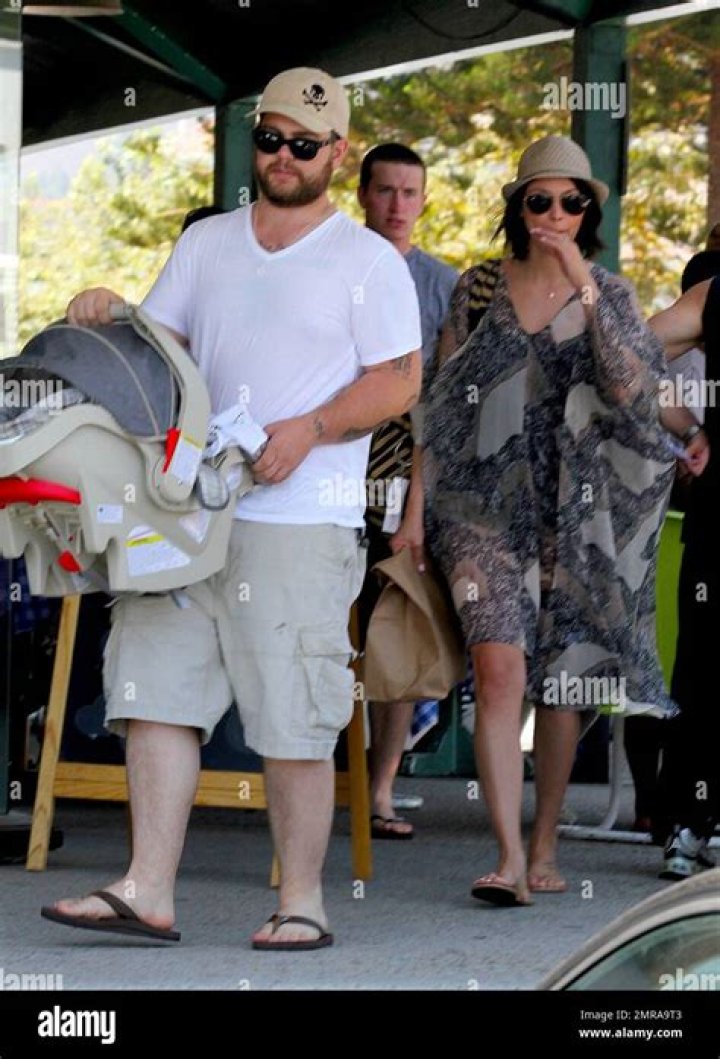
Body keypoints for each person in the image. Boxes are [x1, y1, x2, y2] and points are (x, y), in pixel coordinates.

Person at [40, 67, 422, 950]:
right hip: (190, 509)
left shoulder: (366, 259)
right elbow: (156, 351)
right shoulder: (207, 243)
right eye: (270, 138)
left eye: (303, 144)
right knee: (154, 690)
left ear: (337, 153)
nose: (282, 156)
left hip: (302, 517)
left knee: (294, 711)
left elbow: (400, 380)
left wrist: (314, 426)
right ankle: (148, 887)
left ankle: (301, 902)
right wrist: (105, 312)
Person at [409, 135, 679, 905]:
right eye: (539, 200)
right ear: (517, 209)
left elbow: (632, 392)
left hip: (579, 508)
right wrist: (415, 510)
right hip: (482, 509)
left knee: (563, 683)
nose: (554, 214)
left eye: (570, 201)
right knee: (500, 667)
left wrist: (581, 284)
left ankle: (545, 839)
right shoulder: (478, 287)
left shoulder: (613, 293)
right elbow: (439, 411)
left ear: (587, 211)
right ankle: (506, 857)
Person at [356, 143, 457, 839]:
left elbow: (446, 404)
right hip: (327, 464)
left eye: (409, 192)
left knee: (397, 630)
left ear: (423, 201)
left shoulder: (442, 285)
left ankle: (381, 787)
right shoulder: (330, 265)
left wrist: (421, 500)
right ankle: (320, 774)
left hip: (407, 481)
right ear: (362, 193)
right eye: (385, 190)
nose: (397, 204)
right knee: (326, 634)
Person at [650, 263, 719, 880]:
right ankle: (690, 824)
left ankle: (691, 827)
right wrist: (694, 428)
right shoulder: (712, 296)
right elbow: (631, 353)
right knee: (701, 667)